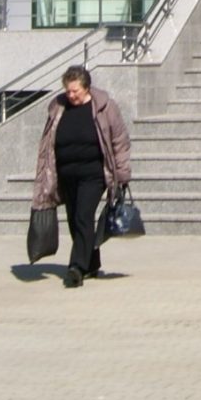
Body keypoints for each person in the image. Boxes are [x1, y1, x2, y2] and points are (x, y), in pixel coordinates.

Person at [30, 66, 130, 290]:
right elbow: (47, 142)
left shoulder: (104, 107)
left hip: (93, 175)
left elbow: (120, 140)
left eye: (75, 91)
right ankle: (92, 262)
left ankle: (76, 268)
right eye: (68, 90)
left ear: (86, 87)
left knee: (84, 215)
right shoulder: (58, 107)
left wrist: (122, 173)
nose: (71, 95)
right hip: (66, 175)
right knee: (75, 220)